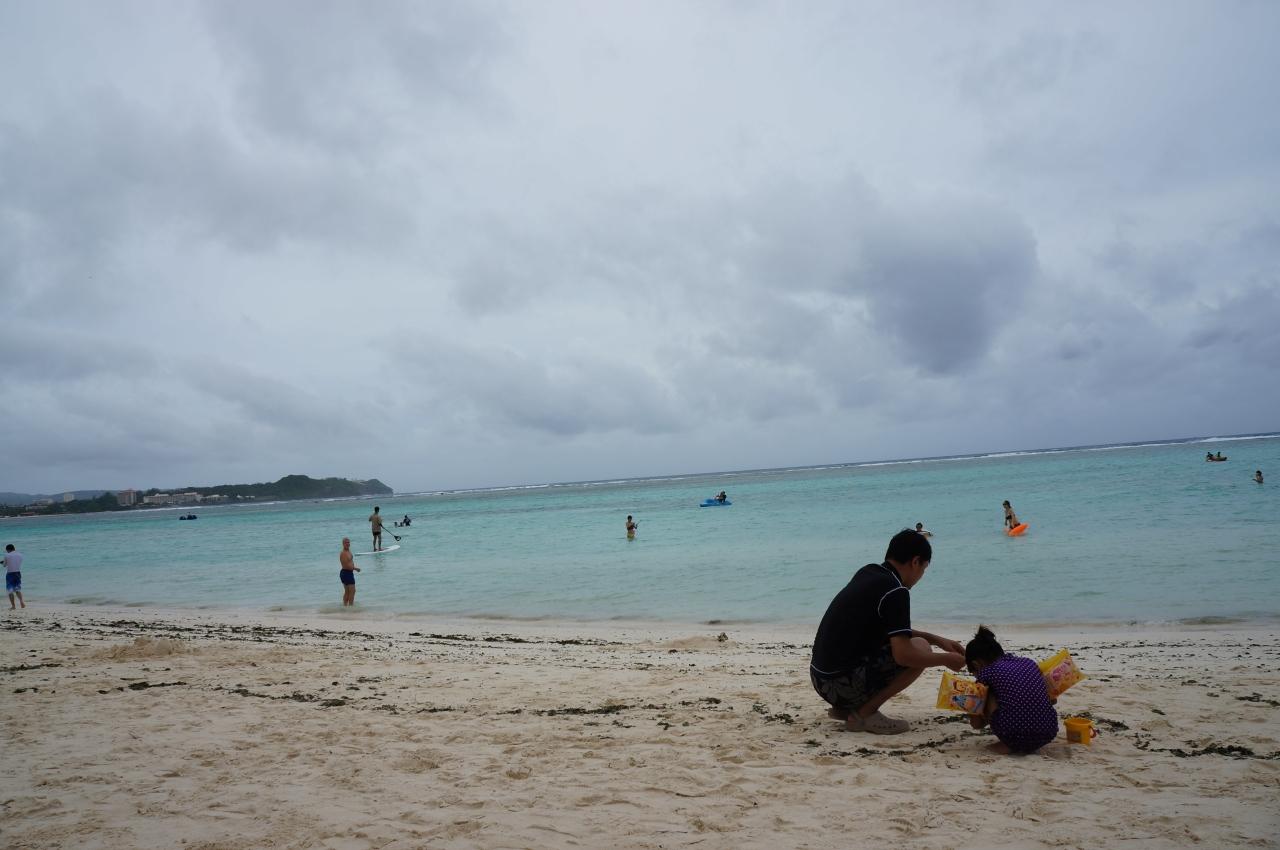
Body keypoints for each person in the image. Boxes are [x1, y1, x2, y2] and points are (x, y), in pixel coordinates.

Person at [810, 529, 966, 734]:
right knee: (920, 649)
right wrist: (946, 659)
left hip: (820, 679)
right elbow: (904, 655)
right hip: (839, 684)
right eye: (924, 568)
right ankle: (863, 715)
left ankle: (847, 709)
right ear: (915, 562)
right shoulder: (896, 591)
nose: (921, 576)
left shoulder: (869, 572)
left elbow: (889, 630)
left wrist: (937, 639)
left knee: (919, 643)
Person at [964, 625, 1059, 754]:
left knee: (984, 690)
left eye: (974, 673)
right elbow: (1052, 700)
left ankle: (1009, 743)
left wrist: (970, 705)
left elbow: (976, 724)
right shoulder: (1028, 662)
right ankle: (1024, 739)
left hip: (1014, 734)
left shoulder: (987, 672)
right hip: (1048, 732)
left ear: (976, 664)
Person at [339, 537, 360, 606]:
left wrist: (354, 568)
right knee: (352, 591)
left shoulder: (348, 551)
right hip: (346, 573)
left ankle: (345, 606)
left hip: (348, 573)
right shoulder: (343, 553)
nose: (348, 544)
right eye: (346, 543)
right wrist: (355, 568)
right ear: (343, 544)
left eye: (348, 542)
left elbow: (350, 562)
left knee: (348, 591)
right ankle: (350, 606)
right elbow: (346, 566)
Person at [5, 544, 24, 610]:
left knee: (10, 591)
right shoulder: (20, 555)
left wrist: (3, 563)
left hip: (10, 574)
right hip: (18, 573)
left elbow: (4, 565)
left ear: (8, 549)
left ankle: (13, 606)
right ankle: (21, 601)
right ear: (14, 548)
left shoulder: (7, 555)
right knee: (17, 589)